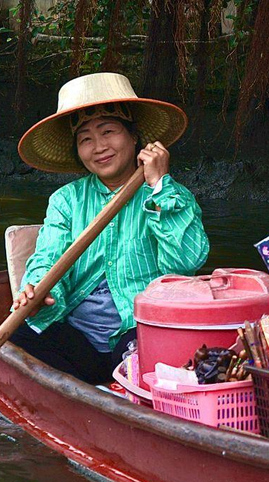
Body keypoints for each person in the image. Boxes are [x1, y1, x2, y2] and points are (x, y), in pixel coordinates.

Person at [10, 72, 209, 384]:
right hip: (81, 344)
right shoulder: (67, 200)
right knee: (19, 336)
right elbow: (48, 258)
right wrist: (37, 290)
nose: (99, 146)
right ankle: (86, 391)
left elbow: (186, 263)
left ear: (134, 137)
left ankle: (118, 387)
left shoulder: (167, 195)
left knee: (140, 355)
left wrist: (159, 185)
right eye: (86, 139)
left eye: (108, 132)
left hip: (139, 334)